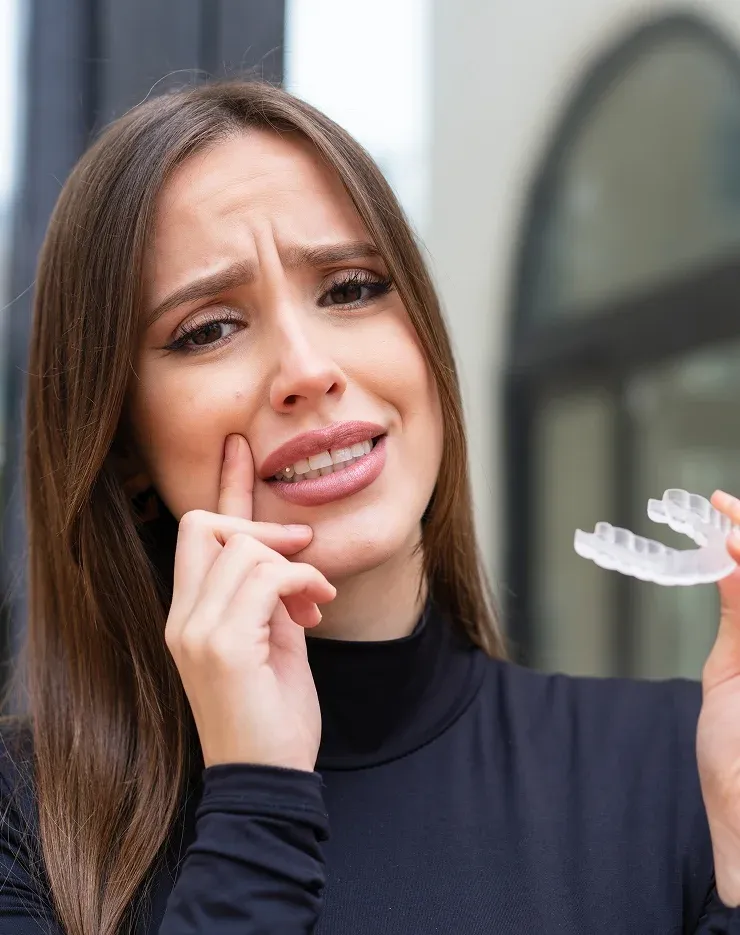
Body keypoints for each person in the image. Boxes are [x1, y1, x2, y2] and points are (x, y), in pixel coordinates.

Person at [1, 78, 740, 935]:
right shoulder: (26, 826)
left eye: (351, 288)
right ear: (124, 445)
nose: (308, 368)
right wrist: (255, 803)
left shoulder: (688, 767)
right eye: (208, 328)